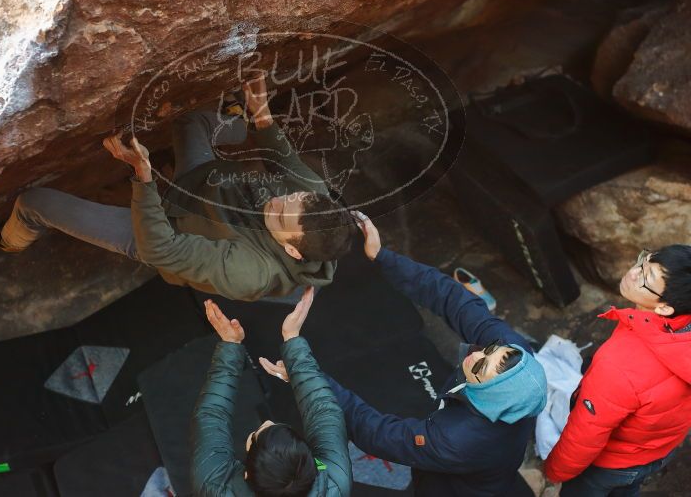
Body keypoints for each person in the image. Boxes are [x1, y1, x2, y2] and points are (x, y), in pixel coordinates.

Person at [0, 73, 353, 301]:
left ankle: (8, 239)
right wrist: (260, 112)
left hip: (162, 232)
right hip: (201, 185)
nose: (280, 199)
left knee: (35, 201)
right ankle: (234, 119)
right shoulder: (311, 198)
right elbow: (283, 159)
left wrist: (144, 174)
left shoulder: (249, 272)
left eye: (282, 212)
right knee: (192, 122)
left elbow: (162, 248)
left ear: (291, 249)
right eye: (294, 197)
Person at [265, 211, 547, 496]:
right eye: (488, 350)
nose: (473, 357)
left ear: (492, 399)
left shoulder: (455, 440)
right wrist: (383, 257)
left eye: (479, 368)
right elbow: (455, 299)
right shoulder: (516, 360)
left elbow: (374, 431)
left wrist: (305, 375)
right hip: (493, 463)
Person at [544, 245, 691, 497]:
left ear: (665, 308)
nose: (633, 272)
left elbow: (586, 433)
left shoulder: (618, 364)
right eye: (644, 261)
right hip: (659, 449)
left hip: (612, 464)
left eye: (646, 278)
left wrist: (555, 471)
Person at [191, 287, 352, 496]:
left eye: (255, 437)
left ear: (247, 474)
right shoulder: (334, 483)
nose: (268, 423)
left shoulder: (213, 486)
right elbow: (323, 412)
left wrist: (230, 345)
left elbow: (211, 417)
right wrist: (293, 339)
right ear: (313, 464)